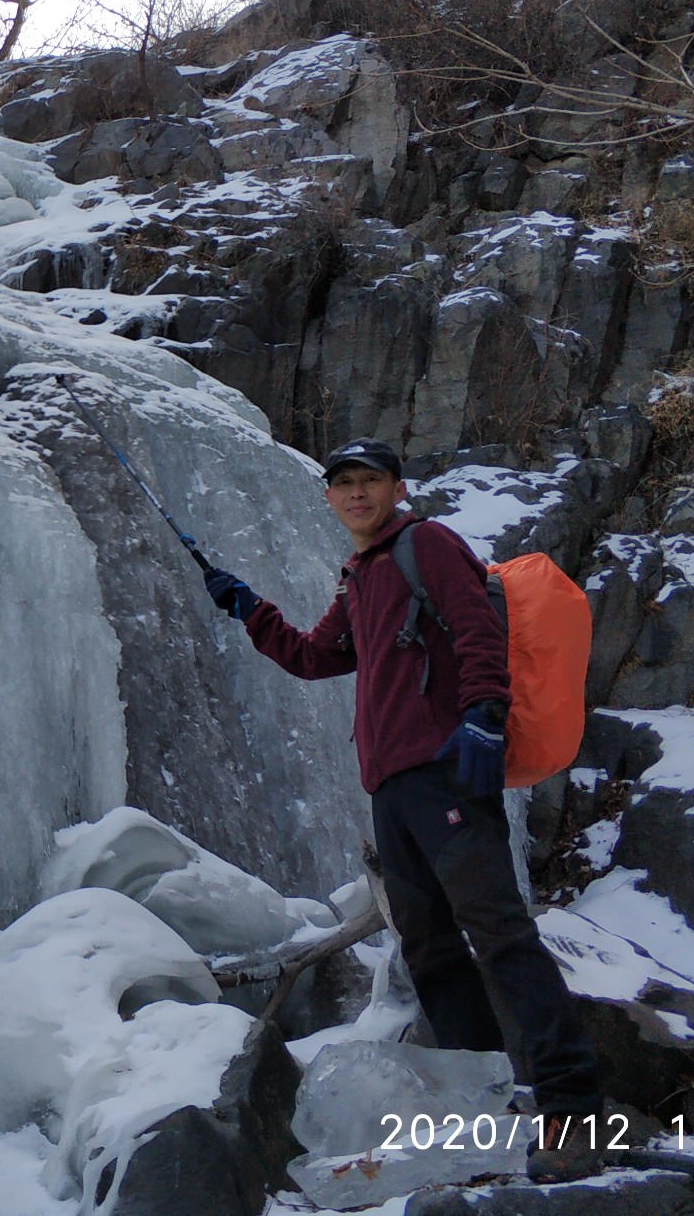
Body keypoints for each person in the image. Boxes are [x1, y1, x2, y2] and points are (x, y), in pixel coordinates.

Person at [199, 438, 605, 1150]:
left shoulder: (428, 544)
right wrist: (249, 609)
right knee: (429, 948)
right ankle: (489, 1098)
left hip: (445, 767)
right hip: (391, 787)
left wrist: (483, 714)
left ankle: (571, 1095)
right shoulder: (360, 577)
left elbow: (477, 629)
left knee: (497, 927)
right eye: (344, 483)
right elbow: (314, 655)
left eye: (370, 481)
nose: (357, 493)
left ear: (395, 488)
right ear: (329, 497)